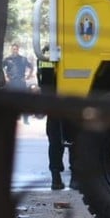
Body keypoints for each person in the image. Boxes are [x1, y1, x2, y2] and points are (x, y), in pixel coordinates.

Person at [36, 45, 68, 190]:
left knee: (55, 140)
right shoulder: (70, 47)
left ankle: (56, 177)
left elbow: (43, 81)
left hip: (54, 103)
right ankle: (75, 179)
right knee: (74, 137)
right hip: (70, 101)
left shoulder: (46, 52)